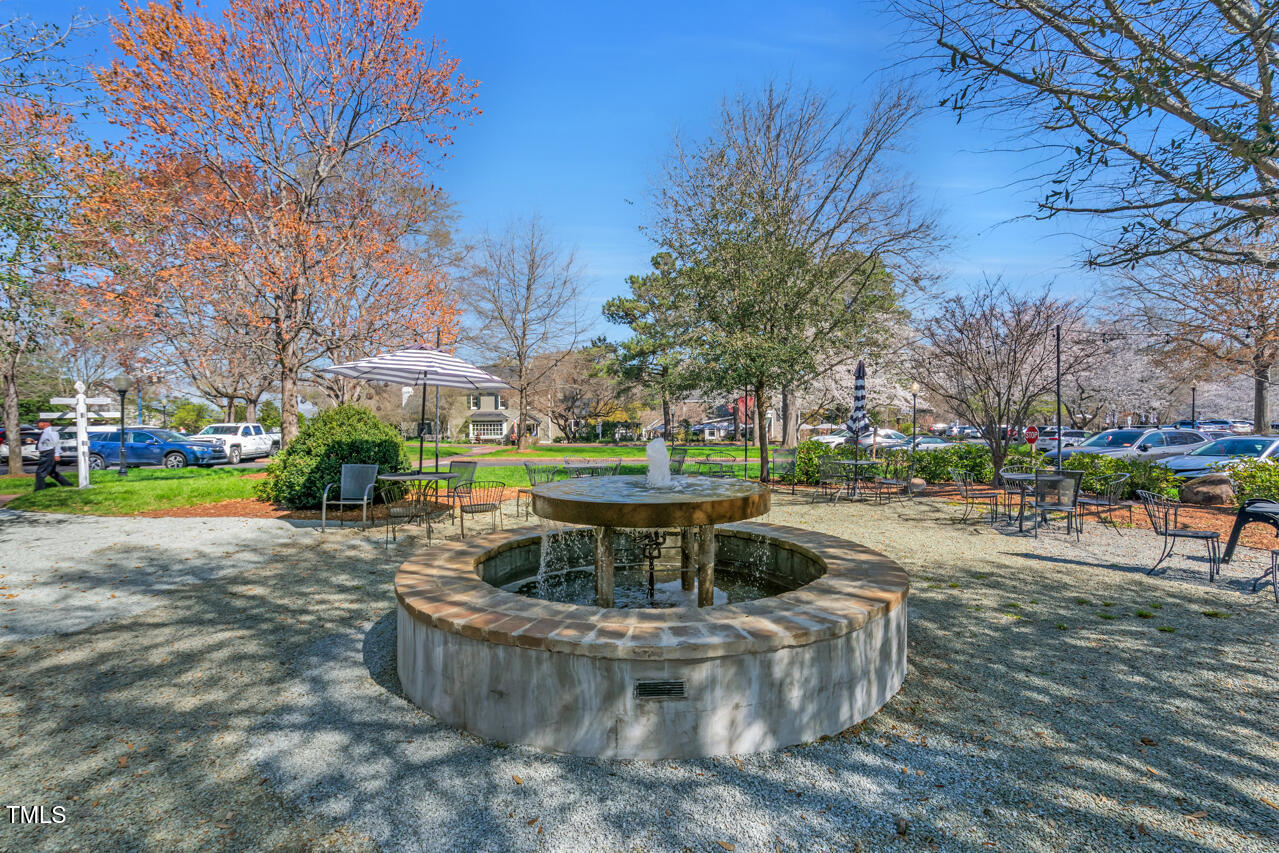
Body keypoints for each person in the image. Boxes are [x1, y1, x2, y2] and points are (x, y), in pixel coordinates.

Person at [33, 419, 71, 490]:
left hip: (48, 453)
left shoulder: (51, 431)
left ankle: (39, 489)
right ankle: (67, 484)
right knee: (51, 472)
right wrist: (35, 442)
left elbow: (56, 442)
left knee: (40, 472)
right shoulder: (45, 432)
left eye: (39, 423)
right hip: (46, 453)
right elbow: (47, 443)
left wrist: (56, 454)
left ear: (44, 423)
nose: (39, 425)